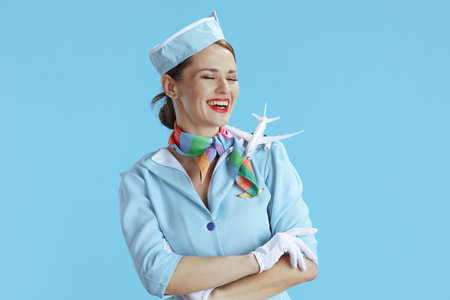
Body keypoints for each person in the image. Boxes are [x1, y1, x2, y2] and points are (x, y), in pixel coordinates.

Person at [118, 11, 319, 300]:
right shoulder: (142, 181)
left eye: (232, 77)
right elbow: (157, 274)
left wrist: (218, 299)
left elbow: (306, 260)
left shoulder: (266, 156)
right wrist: (258, 260)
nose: (225, 89)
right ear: (170, 86)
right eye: (209, 76)